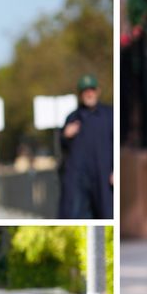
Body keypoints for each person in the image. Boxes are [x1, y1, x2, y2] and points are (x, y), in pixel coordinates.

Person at [59, 74, 114, 219]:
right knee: (75, 214)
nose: (89, 94)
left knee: (105, 214)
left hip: (102, 174)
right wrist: (66, 135)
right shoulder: (72, 117)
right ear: (80, 94)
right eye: (85, 91)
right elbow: (62, 147)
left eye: (92, 90)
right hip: (79, 177)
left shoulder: (109, 115)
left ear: (97, 91)